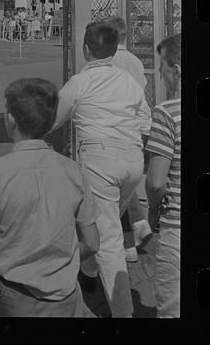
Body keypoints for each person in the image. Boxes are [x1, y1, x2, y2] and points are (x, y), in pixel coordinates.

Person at [0, 79, 99, 317]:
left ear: (11, 119)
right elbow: (92, 242)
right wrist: (58, 260)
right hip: (63, 295)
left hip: (14, 295)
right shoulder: (73, 171)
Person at [50, 21, 150, 318]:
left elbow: (53, 120)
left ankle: (123, 313)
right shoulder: (128, 81)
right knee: (101, 221)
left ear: (85, 49)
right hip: (132, 160)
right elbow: (145, 123)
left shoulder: (80, 82)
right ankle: (89, 271)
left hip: (99, 160)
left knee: (107, 239)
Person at [102, 16, 154, 262]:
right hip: (136, 128)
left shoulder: (107, 62)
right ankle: (140, 223)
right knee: (125, 183)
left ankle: (126, 243)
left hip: (114, 129)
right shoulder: (133, 60)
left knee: (112, 188)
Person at [146, 34, 181, 318]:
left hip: (177, 227)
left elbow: (156, 181)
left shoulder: (166, 112)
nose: (161, 74)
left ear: (177, 70)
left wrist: (153, 211)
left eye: (164, 68)